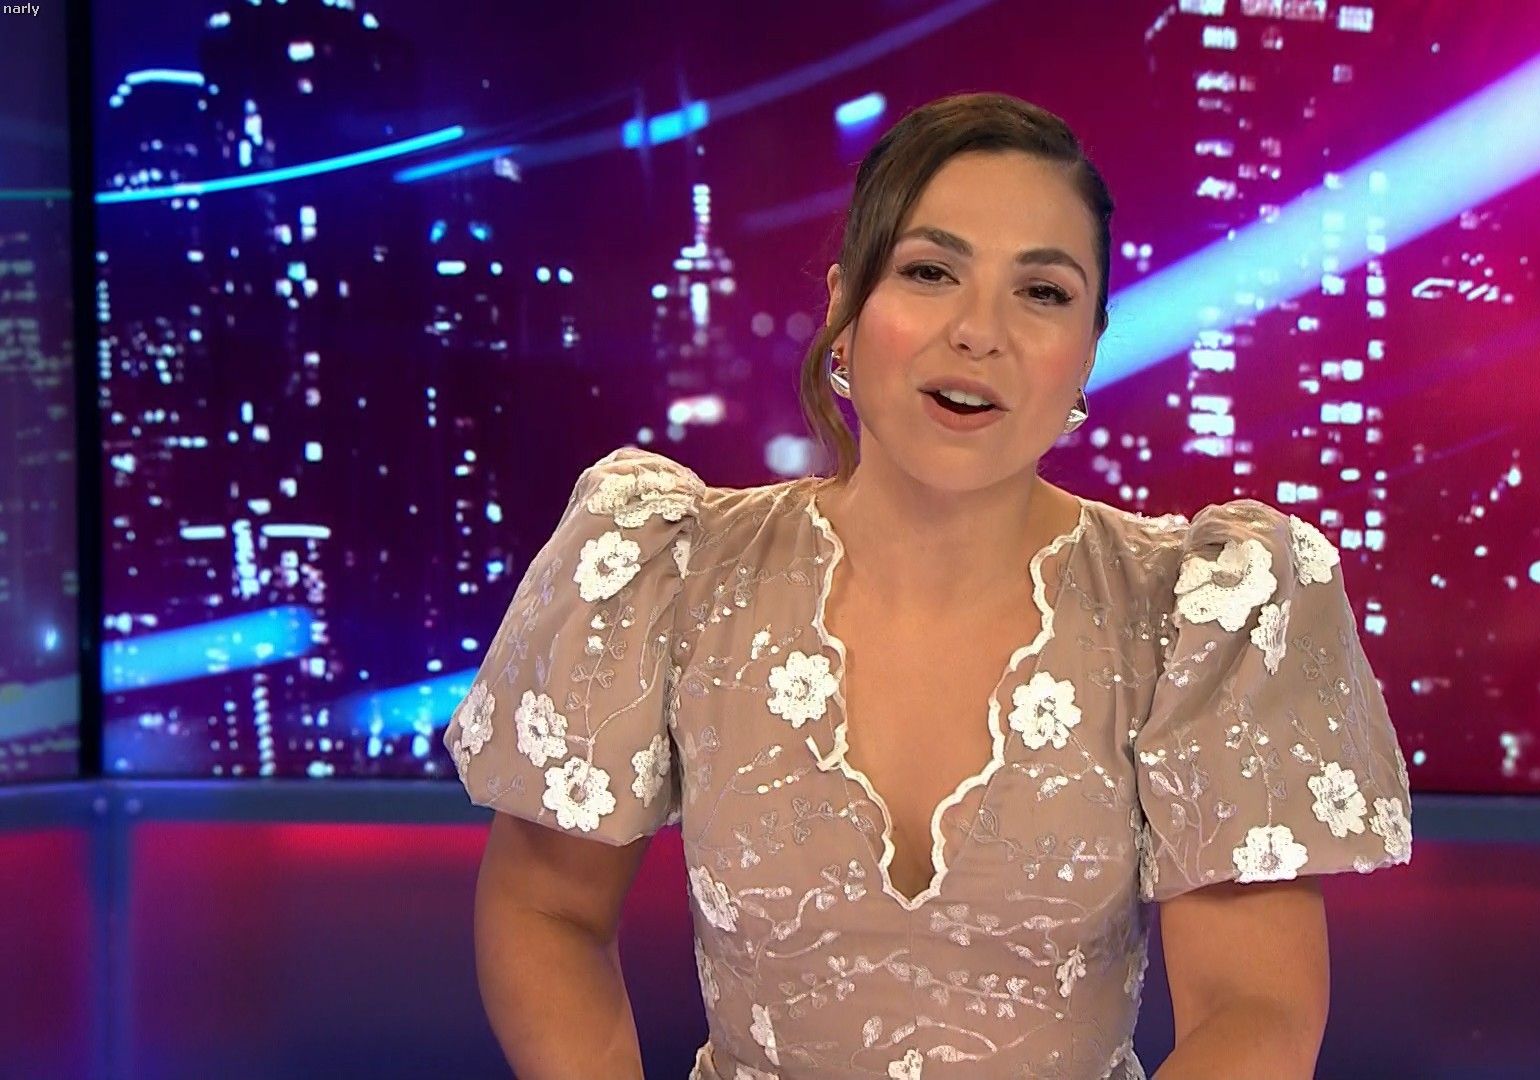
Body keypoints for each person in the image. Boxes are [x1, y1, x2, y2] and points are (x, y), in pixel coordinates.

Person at [444, 91, 1412, 1080]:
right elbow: (546, 910)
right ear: (844, 309)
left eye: (1042, 293)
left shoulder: (1196, 612)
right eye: (929, 272)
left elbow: (1256, 1004)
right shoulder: (678, 571)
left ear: (1088, 349)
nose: (979, 331)